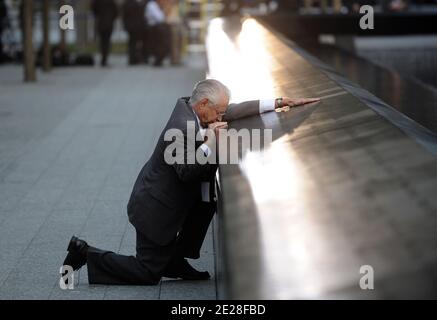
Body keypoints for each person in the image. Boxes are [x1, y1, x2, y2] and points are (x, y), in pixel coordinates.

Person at [62, 79, 320, 285]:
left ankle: (174, 260)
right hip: (153, 209)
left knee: (206, 203)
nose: (222, 117)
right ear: (204, 104)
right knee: (146, 273)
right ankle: (84, 252)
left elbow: (234, 110)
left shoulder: (195, 107)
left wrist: (277, 102)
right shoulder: (183, 126)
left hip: (165, 201)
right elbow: (186, 171)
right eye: (218, 112)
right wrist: (209, 141)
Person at [91, 0, 118, 67]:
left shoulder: (97, 1)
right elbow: (116, 12)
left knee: (102, 42)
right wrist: (111, 18)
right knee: (107, 42)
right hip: (109, 23)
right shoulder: (111, 2)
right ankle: (105, 59)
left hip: (101, 23)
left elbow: (93, 10)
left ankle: (103, 58)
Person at [145, 0, 170, 66]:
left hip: (156, 27)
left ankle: (159, 59)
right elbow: (160, 17)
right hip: (154, 27)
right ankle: (157, 59)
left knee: (158, 44)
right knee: (157, 44)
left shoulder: (155, 4)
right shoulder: (152, 4)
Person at [122, 0, 146, 65]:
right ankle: (135, 58)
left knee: (131, 43)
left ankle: (132, 58)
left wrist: (125, 25)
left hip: (130, 26)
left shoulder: (126, 4)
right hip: (138, 26)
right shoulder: (139, 4)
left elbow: (124, 16)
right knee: (136, 43)